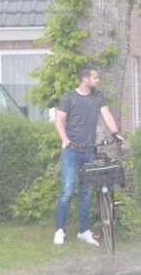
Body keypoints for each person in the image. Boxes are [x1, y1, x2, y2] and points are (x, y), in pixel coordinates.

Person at [53, 64, 123, 246]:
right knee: (67, 191)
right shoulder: (69, 97)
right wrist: (64, 139)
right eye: (95, 77)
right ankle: (59, 230)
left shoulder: (98, 98)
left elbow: (107, 116)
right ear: (85, 79)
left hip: (89, 151)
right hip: (71, 151)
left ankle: (84, 231)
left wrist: (115, 133)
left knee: (85, 193)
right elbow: (59, 120)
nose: (98, 80)